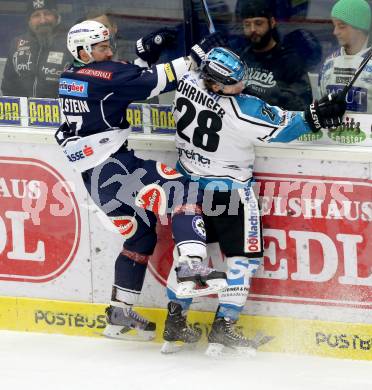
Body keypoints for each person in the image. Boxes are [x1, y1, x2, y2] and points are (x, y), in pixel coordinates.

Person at [161, 47, 346, 356]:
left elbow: (192, 62)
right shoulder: (243, 111)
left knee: (189, 259)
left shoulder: (186, 82)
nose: (242, 86)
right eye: (234, 83)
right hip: (230, 194)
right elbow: (288, 128)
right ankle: (225, 328)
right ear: (216, 84)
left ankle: (175, 322)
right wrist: (319, 113)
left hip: (188, 186)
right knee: (241, 261)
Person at [55, 20, 228, 341]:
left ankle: (119, 311)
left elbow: (120, 85)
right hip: (116, 167)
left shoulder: (70, 75)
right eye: (101, 47)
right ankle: (191, 268)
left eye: (109, 44)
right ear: (82, 52)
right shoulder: (104, 74)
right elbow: (155, 82)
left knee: (140, 238)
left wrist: (141, 57)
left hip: (94, 178)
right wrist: (197, 56)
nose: (109, 51)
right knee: (183, 190)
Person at [236, 0, 313, 111]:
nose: (252, 30)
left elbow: (303, 103)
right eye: (247, 24)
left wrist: (275, 95)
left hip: (275, 125)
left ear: (272, 23)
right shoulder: (240, 58)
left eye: (258, 23)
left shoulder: (290, 60)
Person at [1, 0, 71, 98]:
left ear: (56, 17)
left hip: (60, 110)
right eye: (36, 15)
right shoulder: (17, 43)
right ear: (29, 20)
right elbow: (8, 84)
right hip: (23, 111)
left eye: (47, 14)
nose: (43, 20)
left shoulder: (71, 42)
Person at [319, 0, 372, 113]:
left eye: (341, 26)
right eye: (334, 26)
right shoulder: (330, 62)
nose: (335, 32)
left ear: (359, 27)